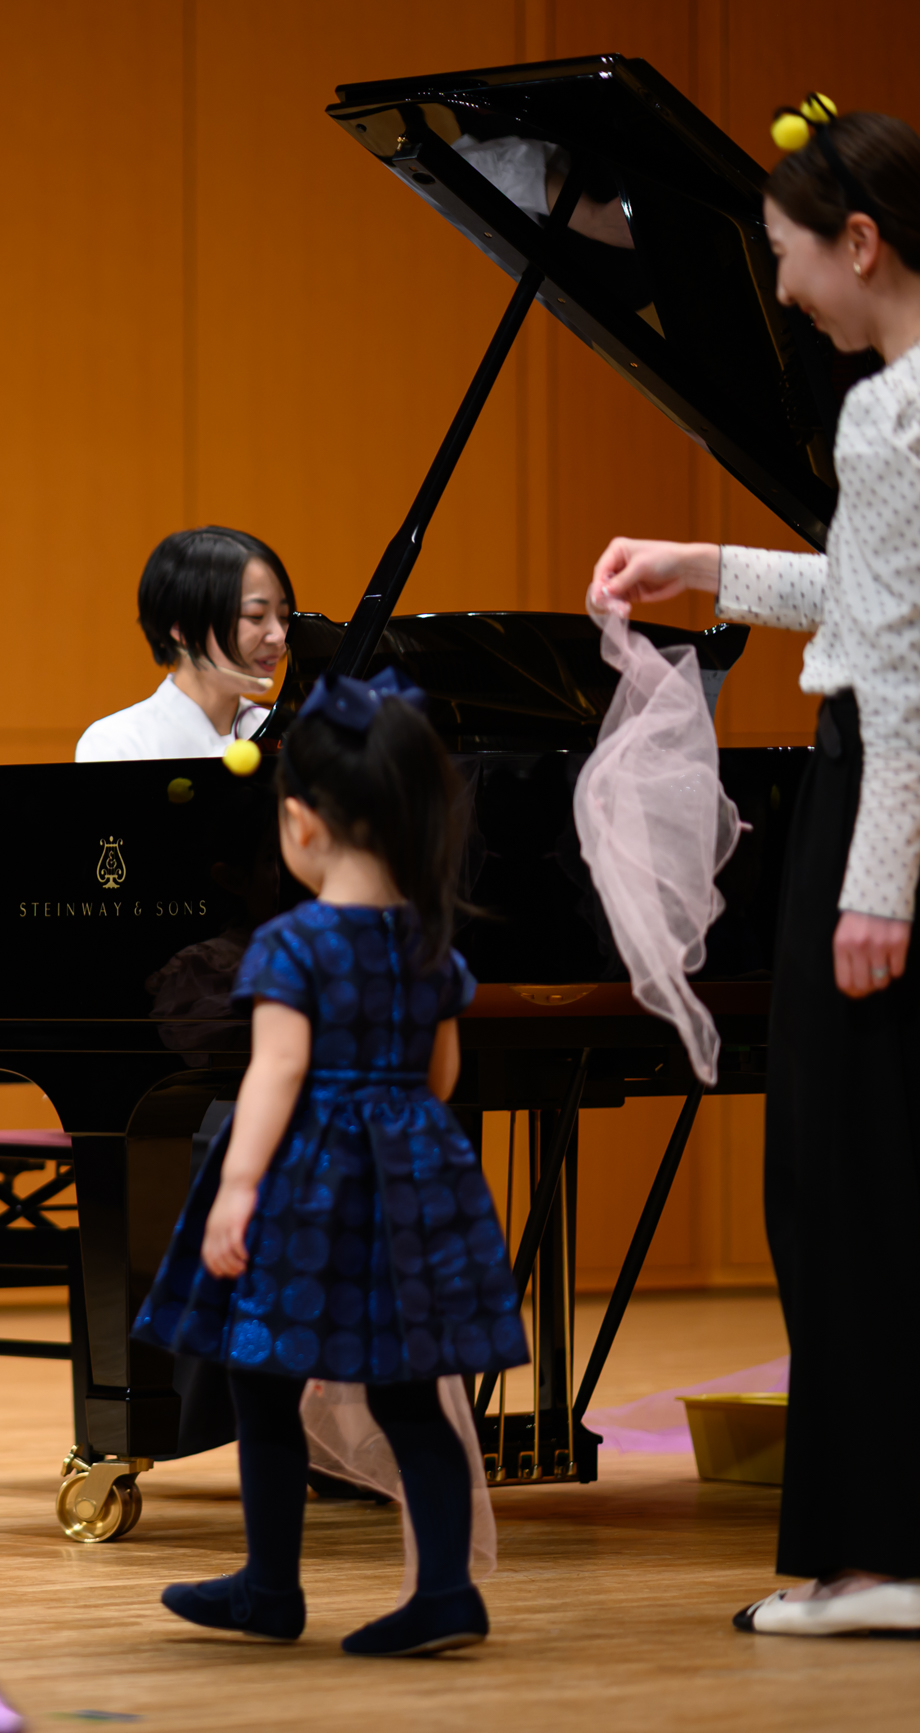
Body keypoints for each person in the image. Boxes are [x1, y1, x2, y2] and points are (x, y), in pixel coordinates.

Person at [591, 99, 920, 1638]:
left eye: (791, 259)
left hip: (882, 799)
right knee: (879, 1179)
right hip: (886, 794)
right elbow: (867, 593)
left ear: (863, 244)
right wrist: (711, 568)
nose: (782, 292)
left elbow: (902, 667)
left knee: (837, 1185)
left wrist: (878, 879)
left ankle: (872, 1558)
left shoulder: (892, 409)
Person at [132, 669, 526, 1657]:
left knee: (259, 1374)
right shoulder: (432, 940)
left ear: (299, 823)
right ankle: (442, 1588)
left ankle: (270, 1586)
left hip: (308, 1182)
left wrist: (235, 1187)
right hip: (414, 1174)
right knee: (406, 1385)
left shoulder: (292, 941)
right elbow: (440, 1074)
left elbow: (276, 1068)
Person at [76, 527, 294, 761]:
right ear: (183, 629)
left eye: (283, 617)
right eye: (255, 615)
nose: (279, 636)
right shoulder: (117, 743)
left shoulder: (289, 736)